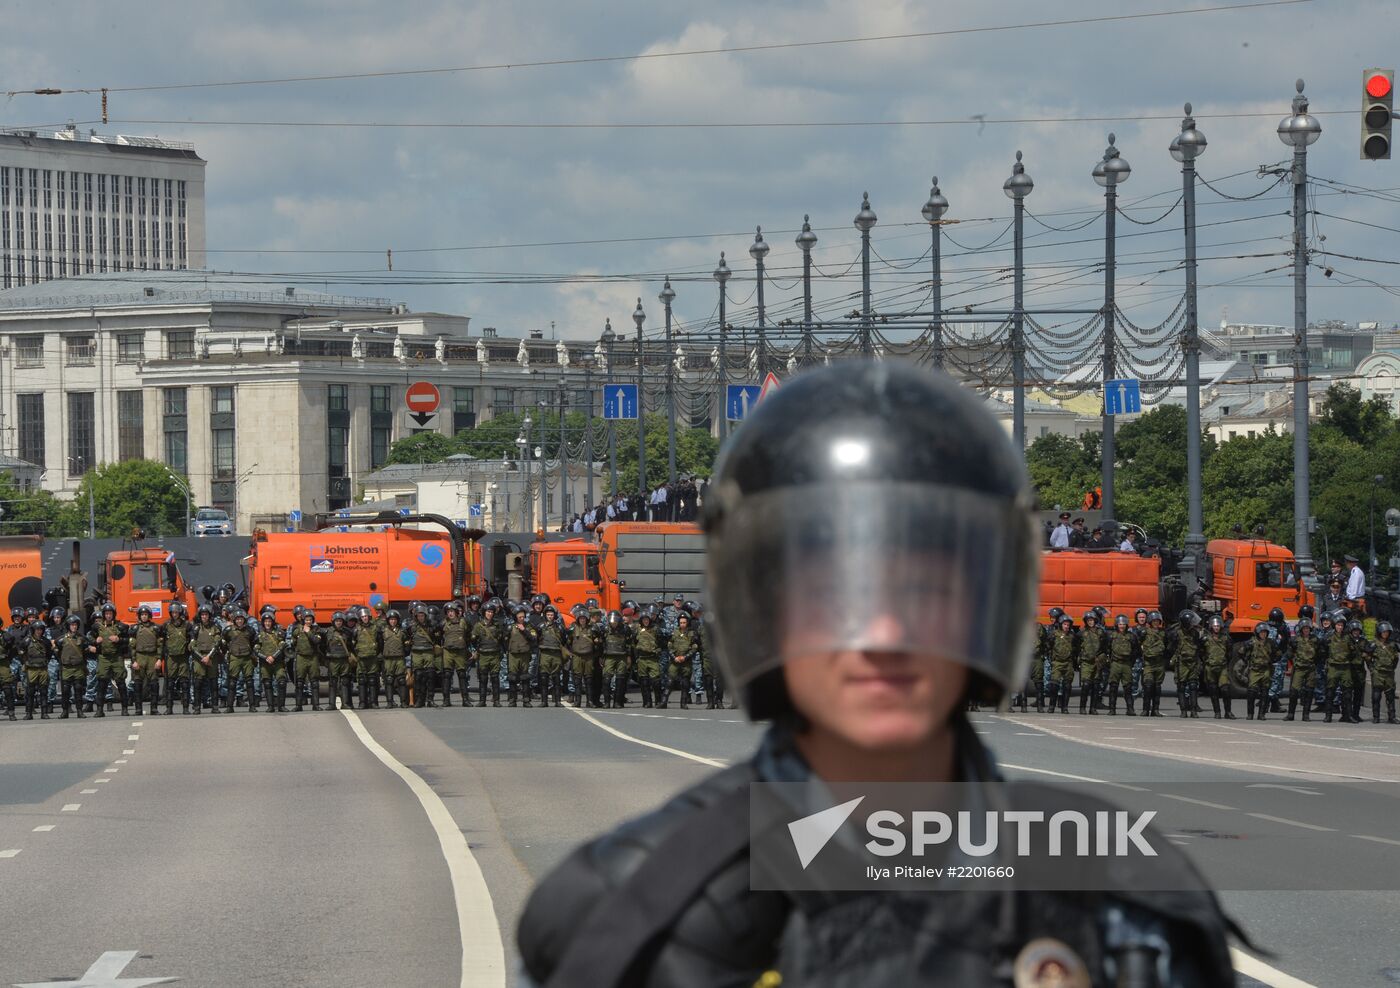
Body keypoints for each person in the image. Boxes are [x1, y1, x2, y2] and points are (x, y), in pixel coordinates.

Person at [516, 361, 1236, 988]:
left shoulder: (1118, 904)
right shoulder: (633, 907)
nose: (882, 635)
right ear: (758, 608)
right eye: (836, 595)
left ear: (990, 605)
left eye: (921, 594)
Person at [129, 605, 165, 716]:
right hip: (140, 656)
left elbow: (160, 645)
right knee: (138, 683)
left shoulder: (155, 628)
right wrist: (133, 660)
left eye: (146, 615)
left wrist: (159, 659)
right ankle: (138, 709)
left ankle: (154, 708)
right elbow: (131, 646)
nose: (144, 617)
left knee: (154, 683)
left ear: (149, 616)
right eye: (142, 615)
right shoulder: (135, 629)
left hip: (152, 657)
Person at [191, 605, 223, 715]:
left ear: (209, 616)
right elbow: (192, 645)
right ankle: (196, 707)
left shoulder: (215, 627)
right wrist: (202, 657)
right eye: (202, 615)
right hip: (199, 658)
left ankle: (215, 706)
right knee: (198, 683)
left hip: (212, 657)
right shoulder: (196, 628)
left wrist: (209, 656)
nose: (204, 616)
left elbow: (217, 643)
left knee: (213, 683)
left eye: (206, 615)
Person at [165, 602, 194, 715]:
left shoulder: (186, 625)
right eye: (173, 612)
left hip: (183, 657)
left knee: (185, 683)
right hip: (171, 657)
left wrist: (191, 642)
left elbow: (192, 635)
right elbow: (162, 639)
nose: (175, 614)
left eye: (176, 612)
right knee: (170, 683)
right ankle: (169, 708)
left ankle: (185, 708)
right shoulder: (166, 625)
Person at [1369, 622, 1398, 724]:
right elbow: (1368, 657)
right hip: (1378, 673)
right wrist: (1372, 669)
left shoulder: (1392, 645)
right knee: (1376, 696)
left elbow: (1395, 659)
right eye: (1383, 632)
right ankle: (1376, 717)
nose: (1385, 634)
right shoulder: (1374, 644)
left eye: (1387, 632)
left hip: (1389, 673)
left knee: (1390, 696)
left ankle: (1392, 717)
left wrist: (1392, 668)